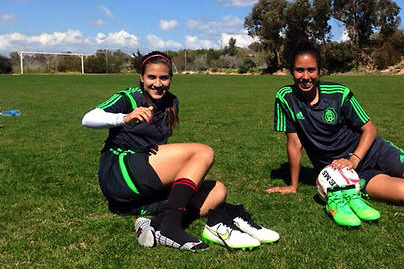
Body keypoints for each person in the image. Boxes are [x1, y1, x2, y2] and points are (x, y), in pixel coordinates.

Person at [82, 51, 278, 251]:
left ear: (170, 79)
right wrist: (123, 118)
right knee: (203, 153)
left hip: (141, 182)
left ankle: (155, 224)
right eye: (151, 77)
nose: (158, 83)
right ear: (141, 77)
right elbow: (88, 118)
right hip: (119, 172)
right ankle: (170, 227)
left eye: (164, 78)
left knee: (217, 191)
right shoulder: (129, 98)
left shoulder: (171, 103)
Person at [266, 40, 404, 225]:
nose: (305, 76)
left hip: (372, 150)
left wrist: (354, 158)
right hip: (343, 172)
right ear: (291, 71)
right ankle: (388, 177)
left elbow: (369, 128)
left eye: (311, 70)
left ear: (319, 71)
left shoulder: (338, 93)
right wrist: (293, 185)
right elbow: (294, 143)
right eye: (299, 70)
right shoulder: (285, 98)